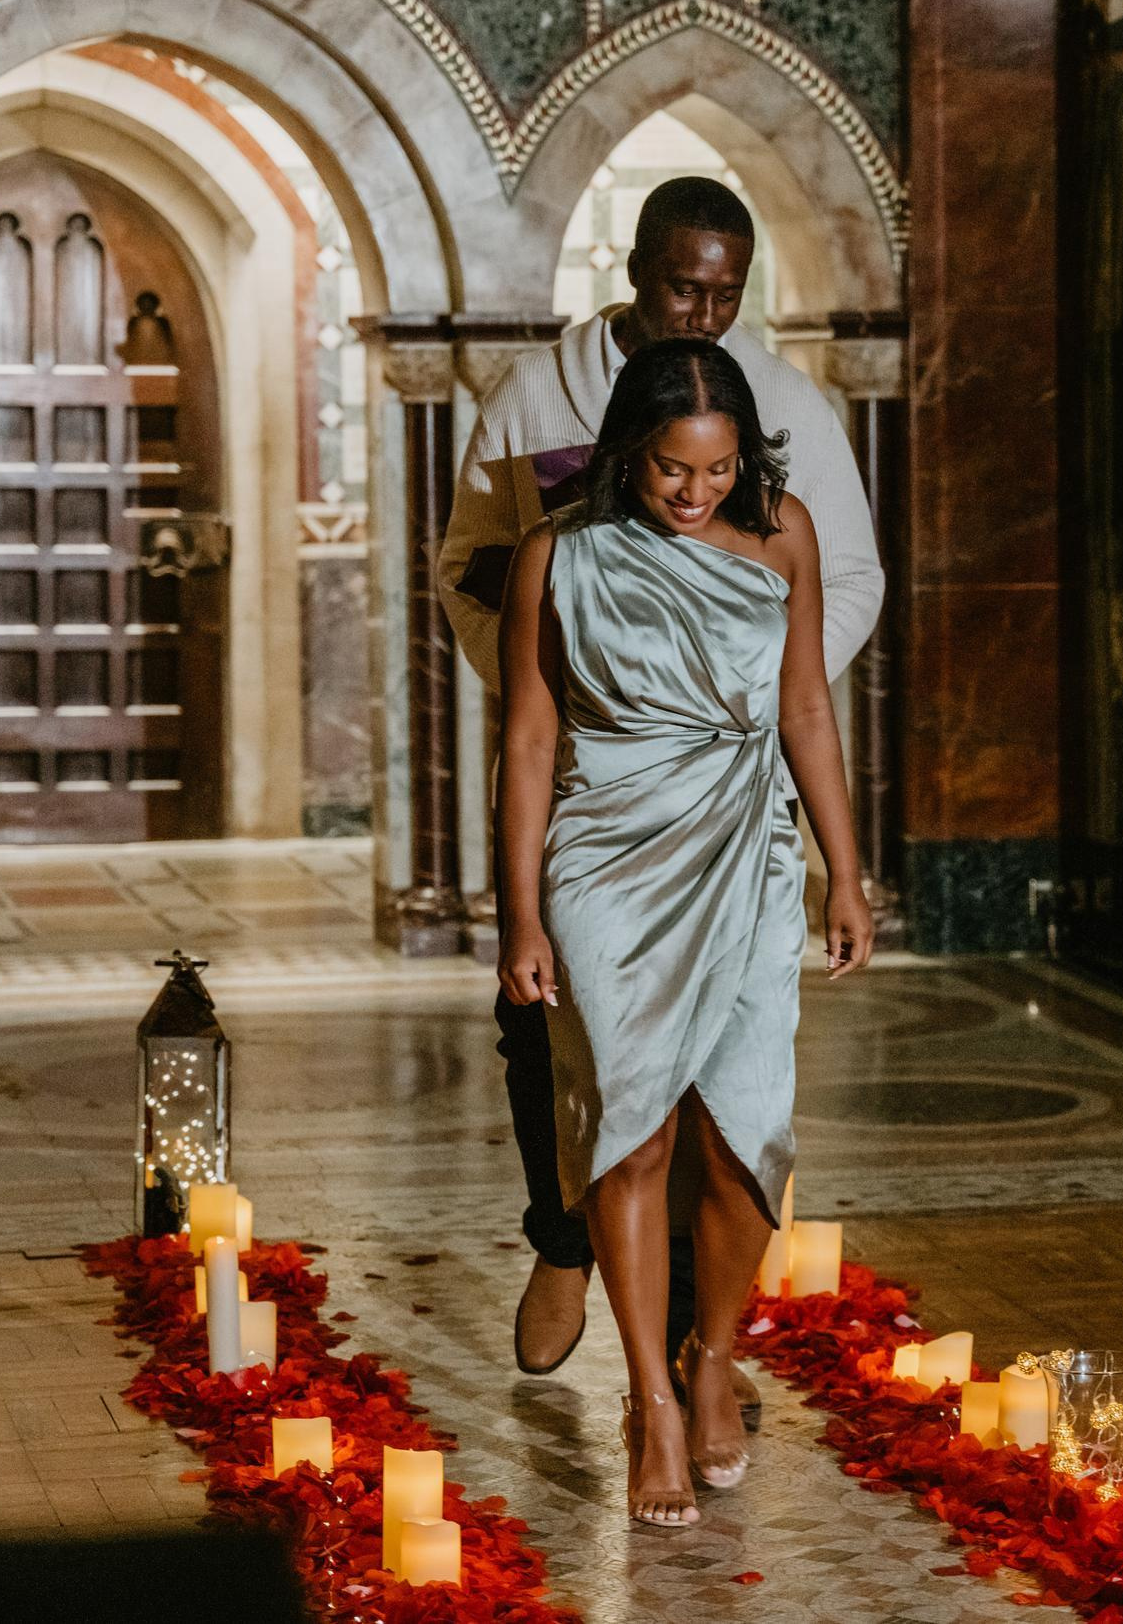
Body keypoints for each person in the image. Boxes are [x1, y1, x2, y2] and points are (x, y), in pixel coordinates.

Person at [438, 177, 884, 1398]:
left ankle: (697, 1346)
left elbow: (835, 589)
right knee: (564, 1038)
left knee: (723, 1097)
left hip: (729, 782)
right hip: (594, 766)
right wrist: (594, 675)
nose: (705, 309)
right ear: (634, 269)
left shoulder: (780, 405)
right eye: (685, 285)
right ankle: (564, 1241)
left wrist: (719, 680)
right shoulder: (536, 394)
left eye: (728, 291)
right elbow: (468, 569)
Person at [494, 337, 875, 1524]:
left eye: (714, 471)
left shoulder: (784, 533)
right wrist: (517, 917)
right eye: (669, 470)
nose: (693, 493)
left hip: (751, 859)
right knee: (630, 1130)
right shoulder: (556, 555)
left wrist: (845, 873)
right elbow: (526, 742)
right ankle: (650, 1403)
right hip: (604, 863)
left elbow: (806, 702)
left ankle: (713, 1358)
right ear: (626, 451)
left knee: (746, 1135)